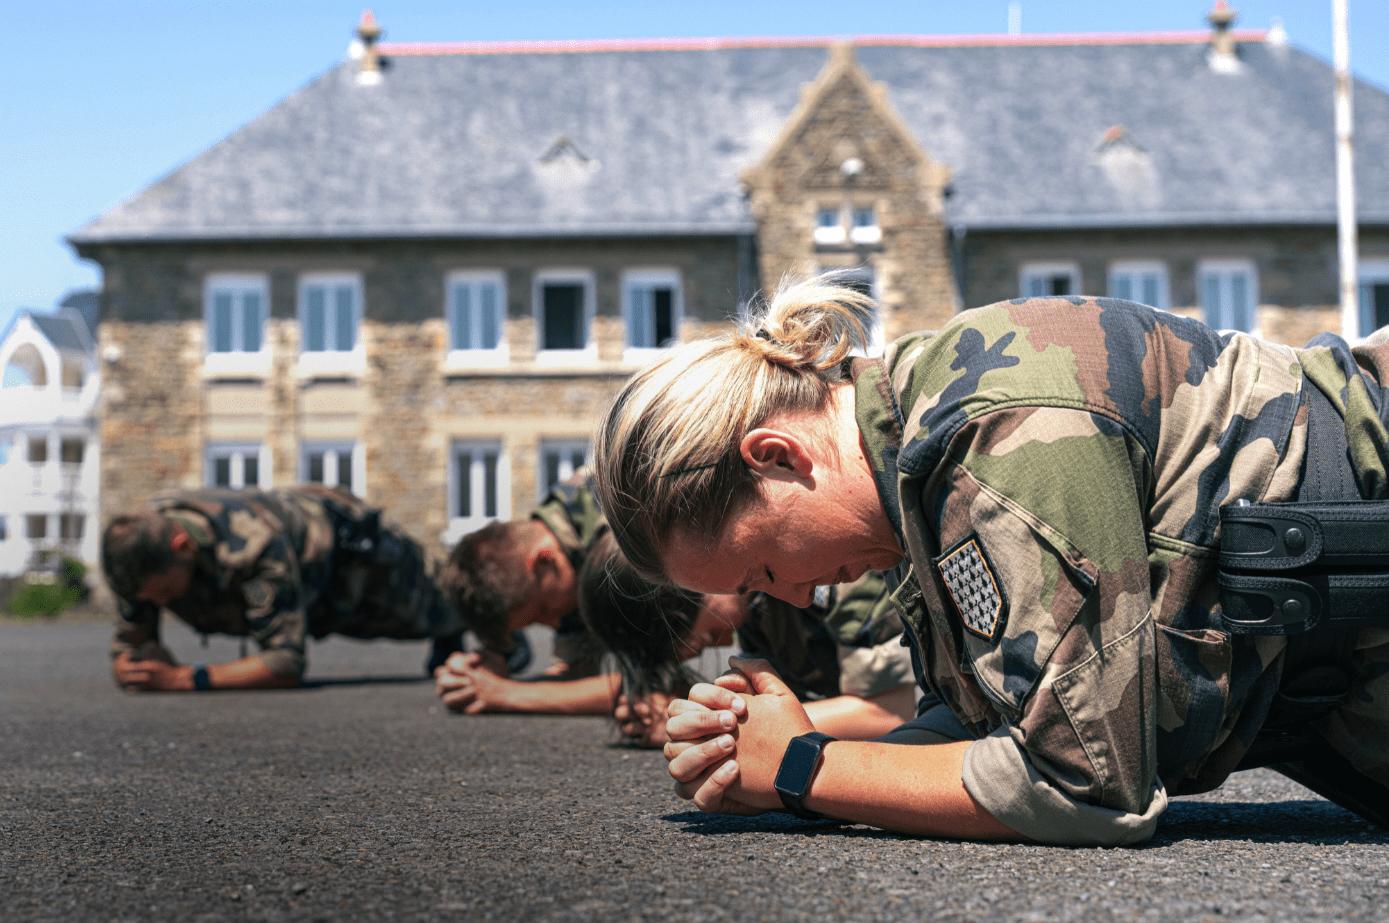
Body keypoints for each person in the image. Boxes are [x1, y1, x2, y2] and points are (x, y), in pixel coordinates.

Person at [593, 276, 1389, 845]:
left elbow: (1080, 782)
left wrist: (804, 770)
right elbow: (985, 723)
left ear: (774, 457)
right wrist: (789, 764)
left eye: (762, 570)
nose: (794, 599)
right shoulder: (914, 469)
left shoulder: (996, 439)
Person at [103, 485, 465, 691]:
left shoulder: (254, 547)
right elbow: (130, 640)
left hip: (348, 559)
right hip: (294, 561)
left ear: (183, 547)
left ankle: (498, 645)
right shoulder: (137, 552)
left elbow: (285, 663)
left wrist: (185, 678)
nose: (154, 604)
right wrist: (130, 664)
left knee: (444, 605)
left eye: (162, 593)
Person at [579, 531, 917, 746]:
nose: (723, 644)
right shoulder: (752, 607)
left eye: (709, 636)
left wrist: (719, 726)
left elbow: (889, 710)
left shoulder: (825, 564)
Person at [432, 471, 623, 715]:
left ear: (544, 560)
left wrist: (505, 694)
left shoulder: (618, 528)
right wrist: (483, 675)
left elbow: (653, 691)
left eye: (543, 610)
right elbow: (578, 674)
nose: (554, 623)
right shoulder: (567, 553)